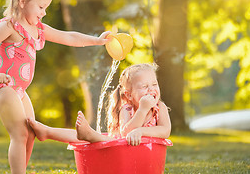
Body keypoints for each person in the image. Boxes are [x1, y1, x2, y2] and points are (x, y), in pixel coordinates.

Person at [0, 0, 110, 174]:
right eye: (41, 6)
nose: (44, 12)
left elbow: (69, 37)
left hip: (19, 90)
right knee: (20, 133)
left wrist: (97, 41)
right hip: (4, 88)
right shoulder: (9, 26)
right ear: (22, 1)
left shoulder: (38, 29)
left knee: (30, 132)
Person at [28, 63, 171, 147]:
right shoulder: (127, 108)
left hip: (146, 157)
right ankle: (47, 132)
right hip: (122, 153)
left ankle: (88, 135)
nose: (151, 89)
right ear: (129, 95)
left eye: (154, 84)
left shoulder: (160, 107)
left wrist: (141, 132)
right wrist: (142, 110)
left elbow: (165, 131)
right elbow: (127, 133)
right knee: (100, 139)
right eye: (144, 86)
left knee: (94, 137)